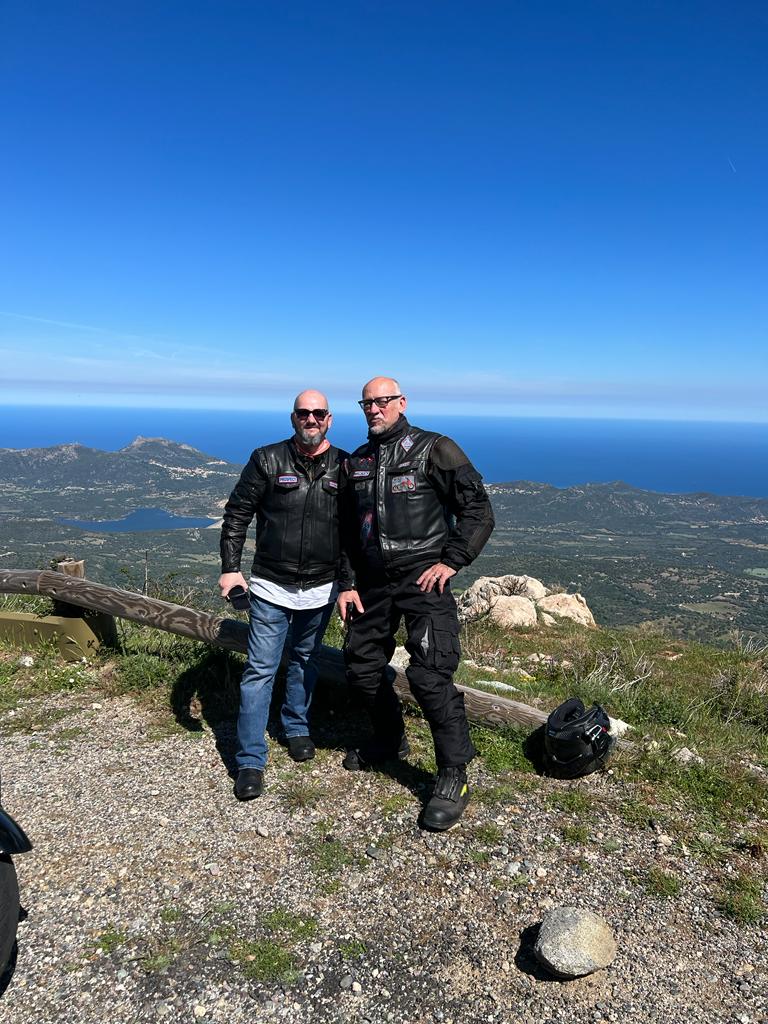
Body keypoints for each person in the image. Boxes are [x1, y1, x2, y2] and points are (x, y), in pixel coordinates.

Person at [337, 377, 495, 830]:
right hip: (371, 583)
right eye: (367, 403)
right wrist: (346, 583)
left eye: (382, 401)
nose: (374, 409)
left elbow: (478, 510)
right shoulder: (358, 461)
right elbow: (346, 530)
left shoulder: (435, 448)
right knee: (361, 666)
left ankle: (453, 775)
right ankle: (390, 739)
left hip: (423, 578)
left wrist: (452, 560)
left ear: (401, 403)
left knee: (430, 674)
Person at [219, 390, 346, 800]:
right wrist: (230, 568)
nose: (311, 419)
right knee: (260, 670)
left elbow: (352, 533)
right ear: (293, 418)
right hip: (271, 586)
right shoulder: (267, 459)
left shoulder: (345, 465)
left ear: (329, 419)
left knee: (306, 660)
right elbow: (237, 514)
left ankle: (296, 727)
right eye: (303, 413)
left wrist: (348, 584)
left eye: (318, 413)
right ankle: (250, 760)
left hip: (322, 589)